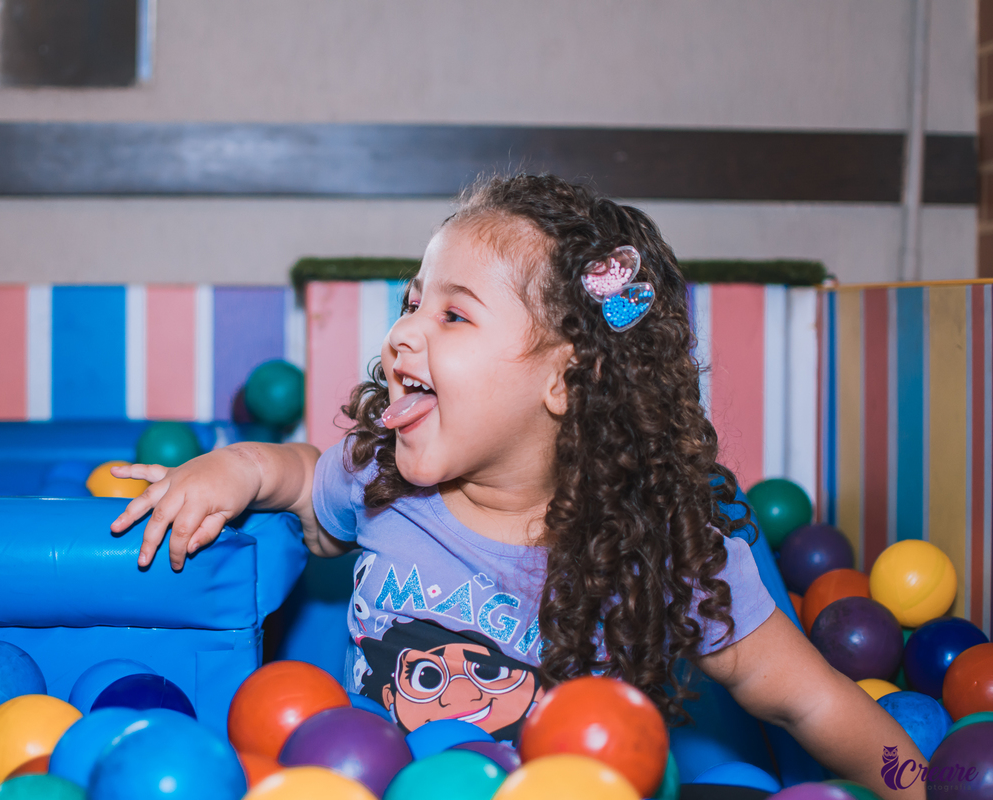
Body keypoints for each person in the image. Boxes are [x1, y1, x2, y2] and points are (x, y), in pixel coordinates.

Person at [110, 174, 926, 799]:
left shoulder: (659, 544)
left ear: (566, 381)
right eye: (411, 303)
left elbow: (808, 703)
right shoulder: (383, 477)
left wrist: (916, 782)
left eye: (452, 316)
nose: (402, 334)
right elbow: (301, 488)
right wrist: (236, 469)